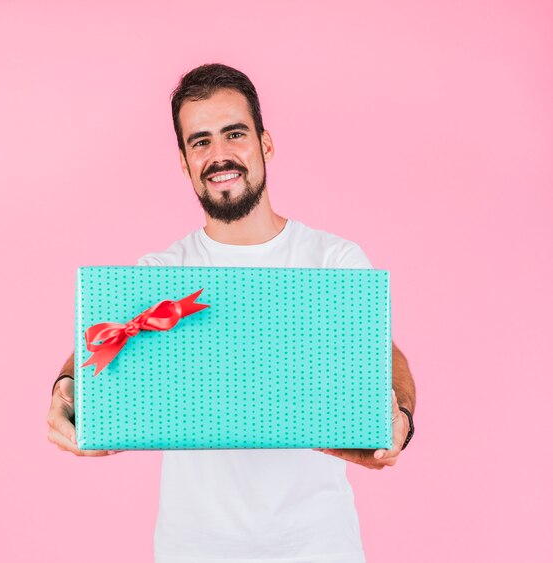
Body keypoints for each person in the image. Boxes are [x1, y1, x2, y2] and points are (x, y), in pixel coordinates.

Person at [47, 63, 417, 563]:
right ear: (183, 161)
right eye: (199, 142)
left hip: (319, 546)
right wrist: (65, 389)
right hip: (192, 549)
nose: (219, 155)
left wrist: (401, 418)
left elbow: (381, 352)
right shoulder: (162, 272)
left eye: (234, 134)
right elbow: (104, 340)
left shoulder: (332, 259)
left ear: (265, 143)